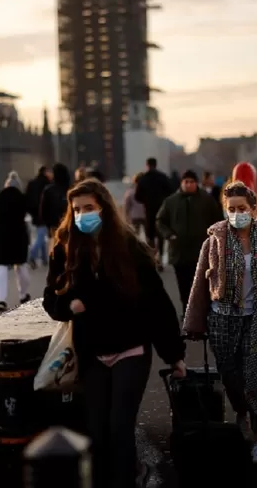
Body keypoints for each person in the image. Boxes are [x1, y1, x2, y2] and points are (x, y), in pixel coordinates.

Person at [43, 179, 186, 488]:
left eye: (89, 208)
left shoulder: (129, 248)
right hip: (93, 353)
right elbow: (52, 303)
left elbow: (157, 304)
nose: (82, 214)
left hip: (131, 349)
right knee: (97, 430)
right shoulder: (65, 249)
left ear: (104, 209)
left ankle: (126, 479)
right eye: (77, 209)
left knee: (120, 426)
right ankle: (125, 472)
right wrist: (71, 307)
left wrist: (174, 354)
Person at [183, 181, 257, 464]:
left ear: (253, 209)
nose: (237, 214)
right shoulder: (214, 241)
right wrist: (194, 323)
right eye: (231, 209)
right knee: (230, 376)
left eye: (242, 209)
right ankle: (240, 410)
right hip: (222, 320)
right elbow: (200, 283)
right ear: (226, 210)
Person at [155, 170, 222, 310]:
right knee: (183, 284)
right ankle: (187, 311)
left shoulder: (206, 199)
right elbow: (160, 221)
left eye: (192, 182)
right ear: (181, 183)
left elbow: (218, 220)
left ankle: (202, 313)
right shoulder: (170, 201)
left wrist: (214, 238)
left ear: (196, 183)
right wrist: (169, 235)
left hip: (201, 251)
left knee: (201, 284)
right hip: (179, 251)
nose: (189, 184)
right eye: (186, 182)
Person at [0, 171, 31, 312]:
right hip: (18, 236)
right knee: (21, 266)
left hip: (2, 236)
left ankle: (1, 300)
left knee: (0, 267)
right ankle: (23, 294)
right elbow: (29, 211)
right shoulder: (23, 198)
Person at [134, 157, 174, 271]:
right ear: (156, 165)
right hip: (161, 210)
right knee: (160, 234)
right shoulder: (163, 177)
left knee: (149, 235)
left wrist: (146, 200)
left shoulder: (143, 179)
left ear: (147, 165)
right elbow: (171, 192)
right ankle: (160, 257)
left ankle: (153, 257)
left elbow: (137, 196)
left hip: (149, 211)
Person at [25, 166, 53, 269]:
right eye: (50, 172)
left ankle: (44, 259)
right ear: (45, 172)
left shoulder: (31, 183)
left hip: (34, 213)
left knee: (41, 233)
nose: (51, 174)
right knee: (41, 235)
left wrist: (31, 211)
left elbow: (26, 198)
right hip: (44, 213)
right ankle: (32, 255)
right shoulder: (47, 184)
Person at [41, 163, 71, 238]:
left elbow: (43, 211)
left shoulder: (49, 190)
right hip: (69, 225)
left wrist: (48, 226)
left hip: (54, 226)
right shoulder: (71, 189)